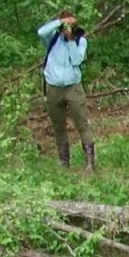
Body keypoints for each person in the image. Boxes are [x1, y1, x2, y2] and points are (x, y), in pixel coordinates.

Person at [38, 10, 94, 171]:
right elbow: (41, 32)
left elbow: (76, 60)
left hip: (73, 86)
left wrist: (71, 40)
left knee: (82, 123)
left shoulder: (80, 41)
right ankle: (64, 161)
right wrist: (59, 22)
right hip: (53, 86)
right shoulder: (52, 39)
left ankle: (89, 162)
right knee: (59, 125)